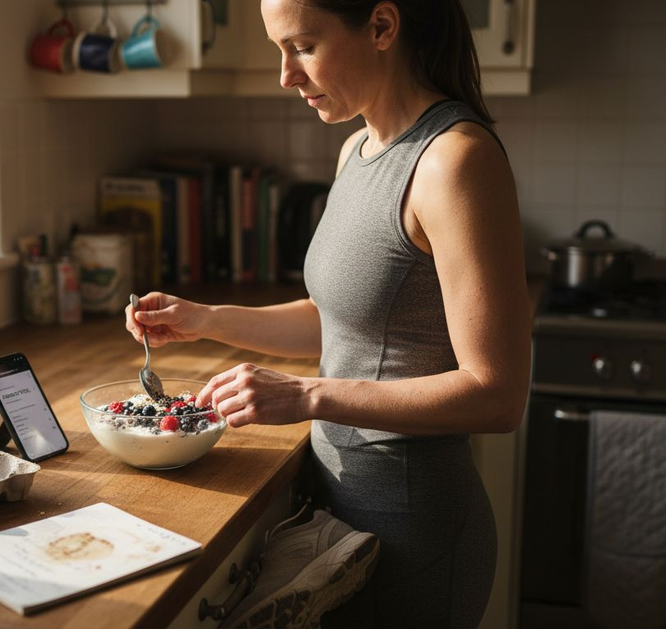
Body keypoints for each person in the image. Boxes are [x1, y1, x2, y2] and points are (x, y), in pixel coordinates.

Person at [125, 0, 530, 626]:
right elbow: (339, 319)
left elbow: (496, 395)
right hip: (337, 518)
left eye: (303, 47)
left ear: (382, 27)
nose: (286, 74)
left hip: (413, 532)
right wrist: (206, 318)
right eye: (278, 49)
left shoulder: (454, 161)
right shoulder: (358, 150)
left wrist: (307, 395)